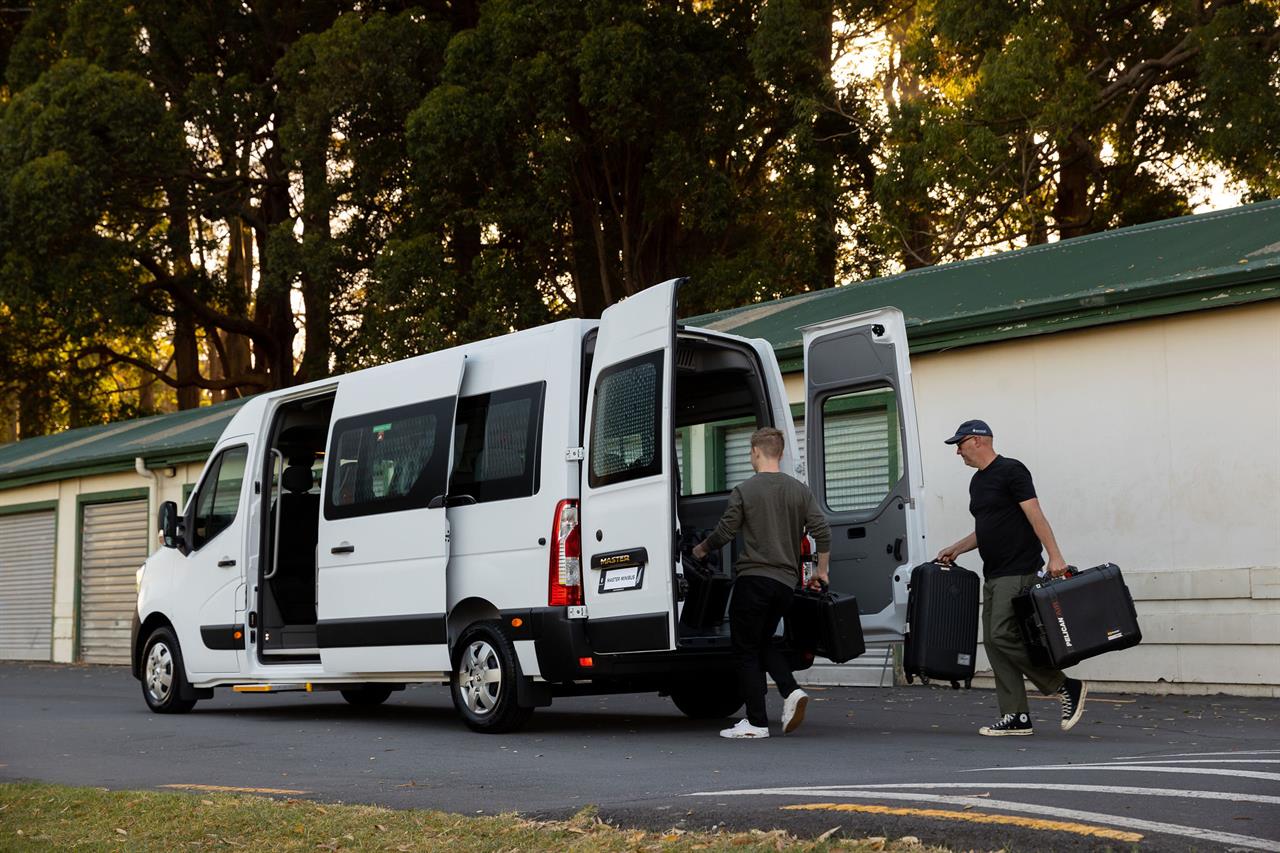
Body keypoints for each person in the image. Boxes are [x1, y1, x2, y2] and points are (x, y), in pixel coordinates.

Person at [936, 419, 1087, 736]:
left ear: (979, 440)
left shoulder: (1012, 471)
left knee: (1003, 634)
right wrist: (957, 548)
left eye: (960, 444)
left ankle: (1064, 685)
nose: (957, 452)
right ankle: (1016, 715)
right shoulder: (977, 483)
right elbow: (987, 527)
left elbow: (1034, 514)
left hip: (1018, 570)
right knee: (993, 640)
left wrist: (1055, 556)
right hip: (992, 572)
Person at [692, 426, 831, 739]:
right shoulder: (799, 491)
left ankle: (756, 722)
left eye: (750, 452)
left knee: (744, 649)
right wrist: (822, 570)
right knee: (762, 642)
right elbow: (822, 530)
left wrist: (700, 550)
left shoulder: (745, 490)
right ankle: (790, 692)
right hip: (785, 585)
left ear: (756, 452)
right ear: (780, 453)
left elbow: (726, 532)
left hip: (754, 580)